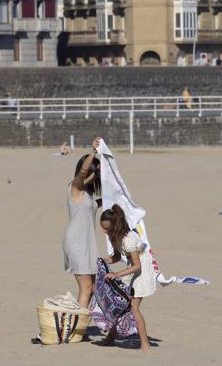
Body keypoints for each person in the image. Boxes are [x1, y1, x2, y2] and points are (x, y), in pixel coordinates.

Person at [99, 204, 156, 352]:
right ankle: (111, 338)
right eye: (103, 228)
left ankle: (145, 343)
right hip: (133, 268)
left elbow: (137, 265)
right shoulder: (114, 237)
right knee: (120, 303)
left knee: (133, 307)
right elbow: (117, 257)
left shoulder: (129, 239)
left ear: (115, 226)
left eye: (106, 228)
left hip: (141, 269)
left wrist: (116, 274)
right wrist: (102, 261)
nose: (104, 231)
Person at [63, 137, 102, 308]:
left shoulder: (87, 194)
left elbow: (93, 206)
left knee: (91, 287)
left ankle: (77, 326)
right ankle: (76, 329)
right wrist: (93, 152)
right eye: (95, 172)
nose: (96, 176)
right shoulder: (75, 187)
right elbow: (82, 173)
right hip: (77, 241)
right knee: (86, 287)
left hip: (87, 242)